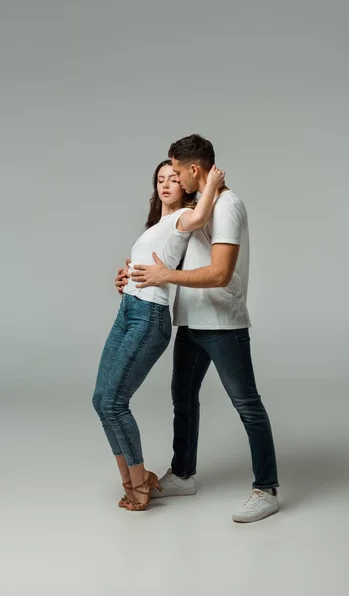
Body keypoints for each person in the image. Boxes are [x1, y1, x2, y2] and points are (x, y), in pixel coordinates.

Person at [116, 134, 280, 523]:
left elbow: (221, 273)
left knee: (247, 405)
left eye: (177, 171)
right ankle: (184, 474)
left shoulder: (227, 206)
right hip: (189, 320)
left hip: (223, 323)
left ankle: (267, 489)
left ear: (194, 169)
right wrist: (135, 275)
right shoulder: (198, 207)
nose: (174, 178)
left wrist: (165, 275)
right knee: (183, 400)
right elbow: (166, 253)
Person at [93, 158, 225, 512]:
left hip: (149, 318)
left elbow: (199, 217)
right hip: (128, 311)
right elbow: (144, 266)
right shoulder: (159, 223)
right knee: (100, 399)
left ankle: (138, 487)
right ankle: (134, 480)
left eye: (173, 179)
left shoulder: (183, 216)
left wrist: (211, 181)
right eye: (160, 180)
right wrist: (125, 276)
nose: (165, 185)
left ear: (184, 184)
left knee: (114, 402)